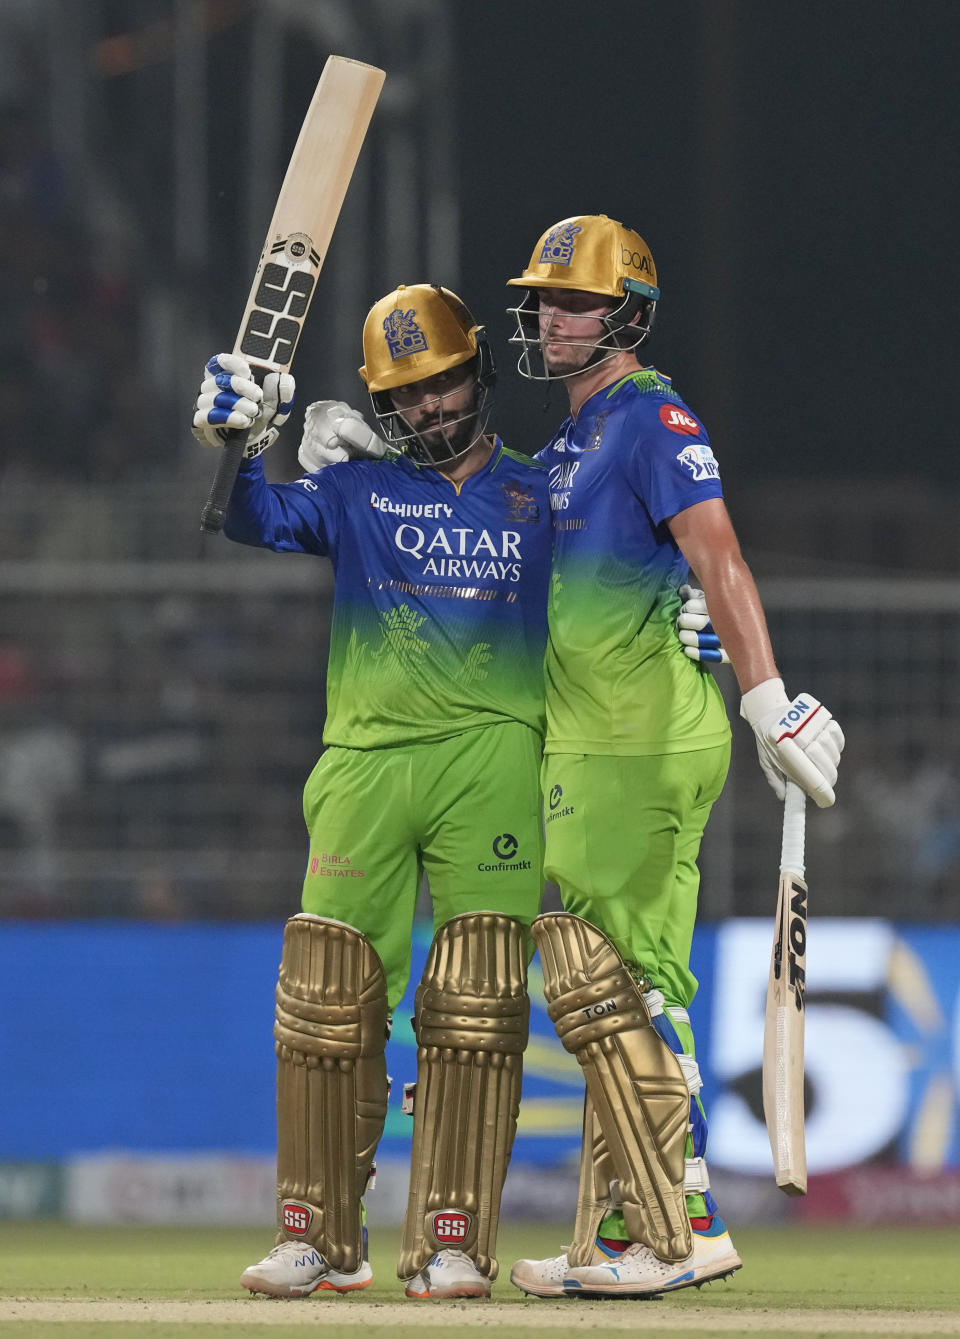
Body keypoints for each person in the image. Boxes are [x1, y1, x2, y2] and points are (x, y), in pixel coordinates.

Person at [503, 214, 845, 1299]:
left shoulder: (653, 418)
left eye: (574, 300)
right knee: (602, 994)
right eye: (544, 298)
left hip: (642, 741)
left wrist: (766, 699)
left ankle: (682, 1223)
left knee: (630, 988)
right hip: (594, 745)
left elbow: (722, 554)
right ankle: (615, 1229)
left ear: (628, 316)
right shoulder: (570, 442)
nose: (550, 315)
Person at [192, 284, 552, 1300]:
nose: (432, 408)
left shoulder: (540, 497)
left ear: (478, 370)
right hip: (363, 759)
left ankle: (452, 1239)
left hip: (493, 756)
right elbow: (250, 516)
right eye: (410, 395)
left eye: (443, 383)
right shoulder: (355, 491)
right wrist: (237, 432)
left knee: (478, 996)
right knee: (326, 998)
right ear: (385, 404)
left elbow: (625, 581)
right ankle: (316, 1236)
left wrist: (686, 609)